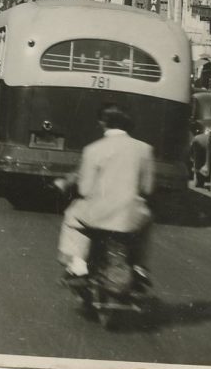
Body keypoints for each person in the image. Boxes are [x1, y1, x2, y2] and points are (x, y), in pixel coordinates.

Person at [58, 103, 155, 282]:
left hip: (98, 214)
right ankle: (139, 265)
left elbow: (85, 189)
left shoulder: (93, 149)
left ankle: (78, 262)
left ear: (103, 123)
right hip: (130, 216)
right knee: (147, 220)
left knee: (72, 215)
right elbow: (147, 188)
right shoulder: (144, 149)